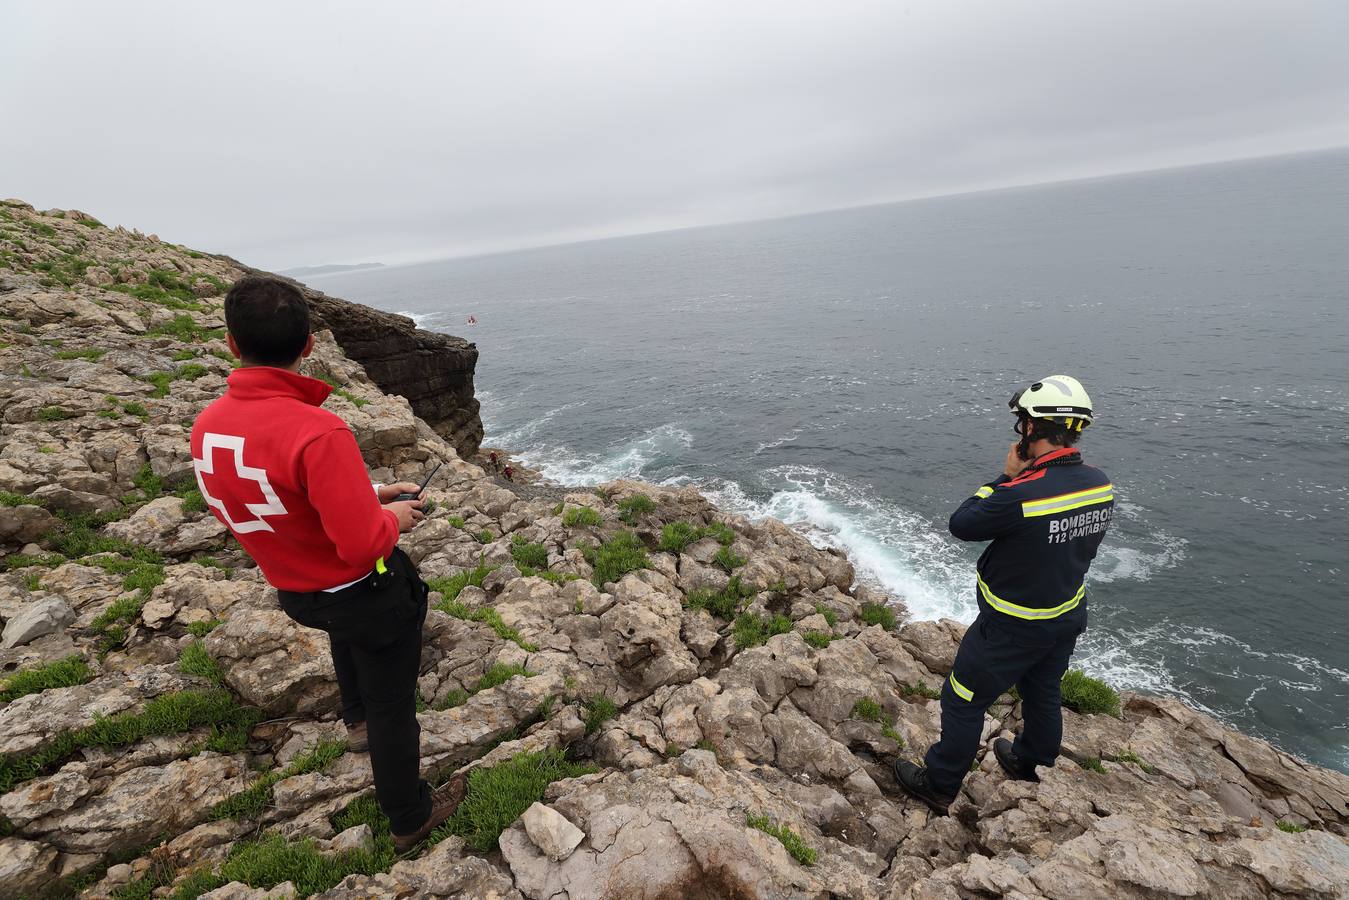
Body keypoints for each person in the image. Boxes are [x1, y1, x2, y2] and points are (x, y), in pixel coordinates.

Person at [190, 275, 463, 851]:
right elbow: (364, 547)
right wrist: (393, 520)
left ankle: (355, 721)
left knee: (346, 632)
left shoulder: (208, 426)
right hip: (363, 594)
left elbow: (278, 501)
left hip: (298, 592)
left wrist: (371, 495)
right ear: (310, 345)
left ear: (232, 343)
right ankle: (410, 816)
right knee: (396, 703)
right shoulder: (318, 431)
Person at [893, 375, 1114, 815]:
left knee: (962, 698)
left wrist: (1005, 476)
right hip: (1065, 614)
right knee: (1043, 691)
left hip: (1011, 626)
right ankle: (1032, 762)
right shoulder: (1099, 483)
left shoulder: (1018, 494)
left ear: (1033, 429)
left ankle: (939, 784)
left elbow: (963, 523)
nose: (1019, 429)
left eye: (1023, 422)